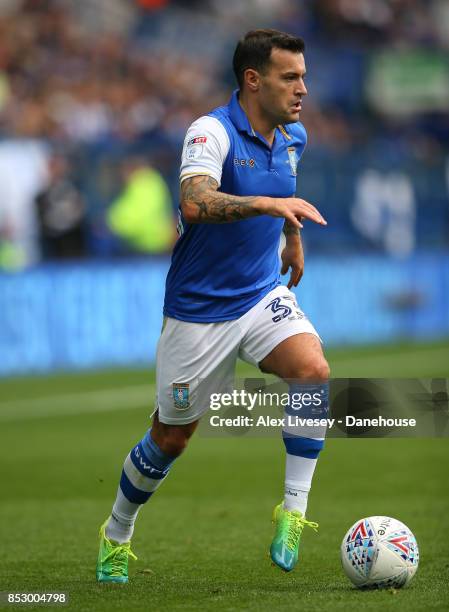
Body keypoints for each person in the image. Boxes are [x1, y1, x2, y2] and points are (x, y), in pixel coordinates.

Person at [96, 28, 330, 583]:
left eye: (304, 76)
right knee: (171, 438)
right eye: (289, 77)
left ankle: (292, 514)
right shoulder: (210, 131)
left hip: (259, 294)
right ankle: (117, 531)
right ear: (253, 80)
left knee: (313, 371)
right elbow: (196, 202)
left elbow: (284, 189)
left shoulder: (293, 135)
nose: (303, 89)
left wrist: (290, 233)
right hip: (198, 312)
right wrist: (268, 203)